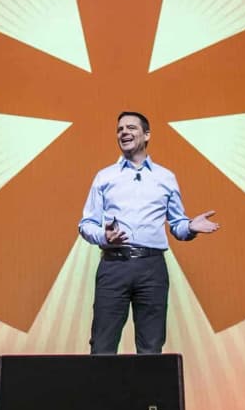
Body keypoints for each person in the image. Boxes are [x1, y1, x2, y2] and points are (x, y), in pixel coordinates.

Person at [78, 111, 220, 355]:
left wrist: (189, 227)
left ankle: (148, 383)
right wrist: (104, 236)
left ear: (146, 135)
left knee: (151, 347)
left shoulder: (166, 177)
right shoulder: (105, 177)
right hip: (114, 266)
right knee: (102, 345)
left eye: (131, 128)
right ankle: (102, 383)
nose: (124, 132)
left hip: (152, 268)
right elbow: (86, 224)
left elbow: (177, 225)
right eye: (120, 129)